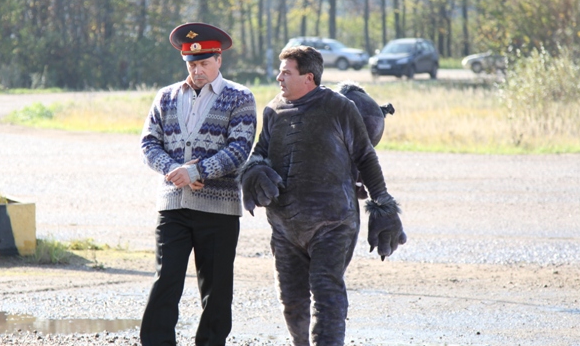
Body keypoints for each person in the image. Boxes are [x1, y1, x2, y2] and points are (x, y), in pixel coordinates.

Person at [239, 45, 406, 346]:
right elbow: (259, 152)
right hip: (285, 229)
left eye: (286, 72)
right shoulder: (273, 110)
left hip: (333, 224)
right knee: (291, 301)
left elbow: (366, 157)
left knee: (326, 292)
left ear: (309, 77)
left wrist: (383, 206)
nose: (279, 78)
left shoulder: (339, 108)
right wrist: (254, 171)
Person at [139, 22, 257, 346]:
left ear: (219, 59)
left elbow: (239, 149)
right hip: (173, 206)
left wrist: (197, 172)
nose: (197, 70)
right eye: (191, 64)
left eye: (204, 63)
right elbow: (148, 144)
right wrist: (175, 171)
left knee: (216, 289)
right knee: (166, 280)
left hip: (219, 210)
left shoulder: (240, 98)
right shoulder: (166, 97)